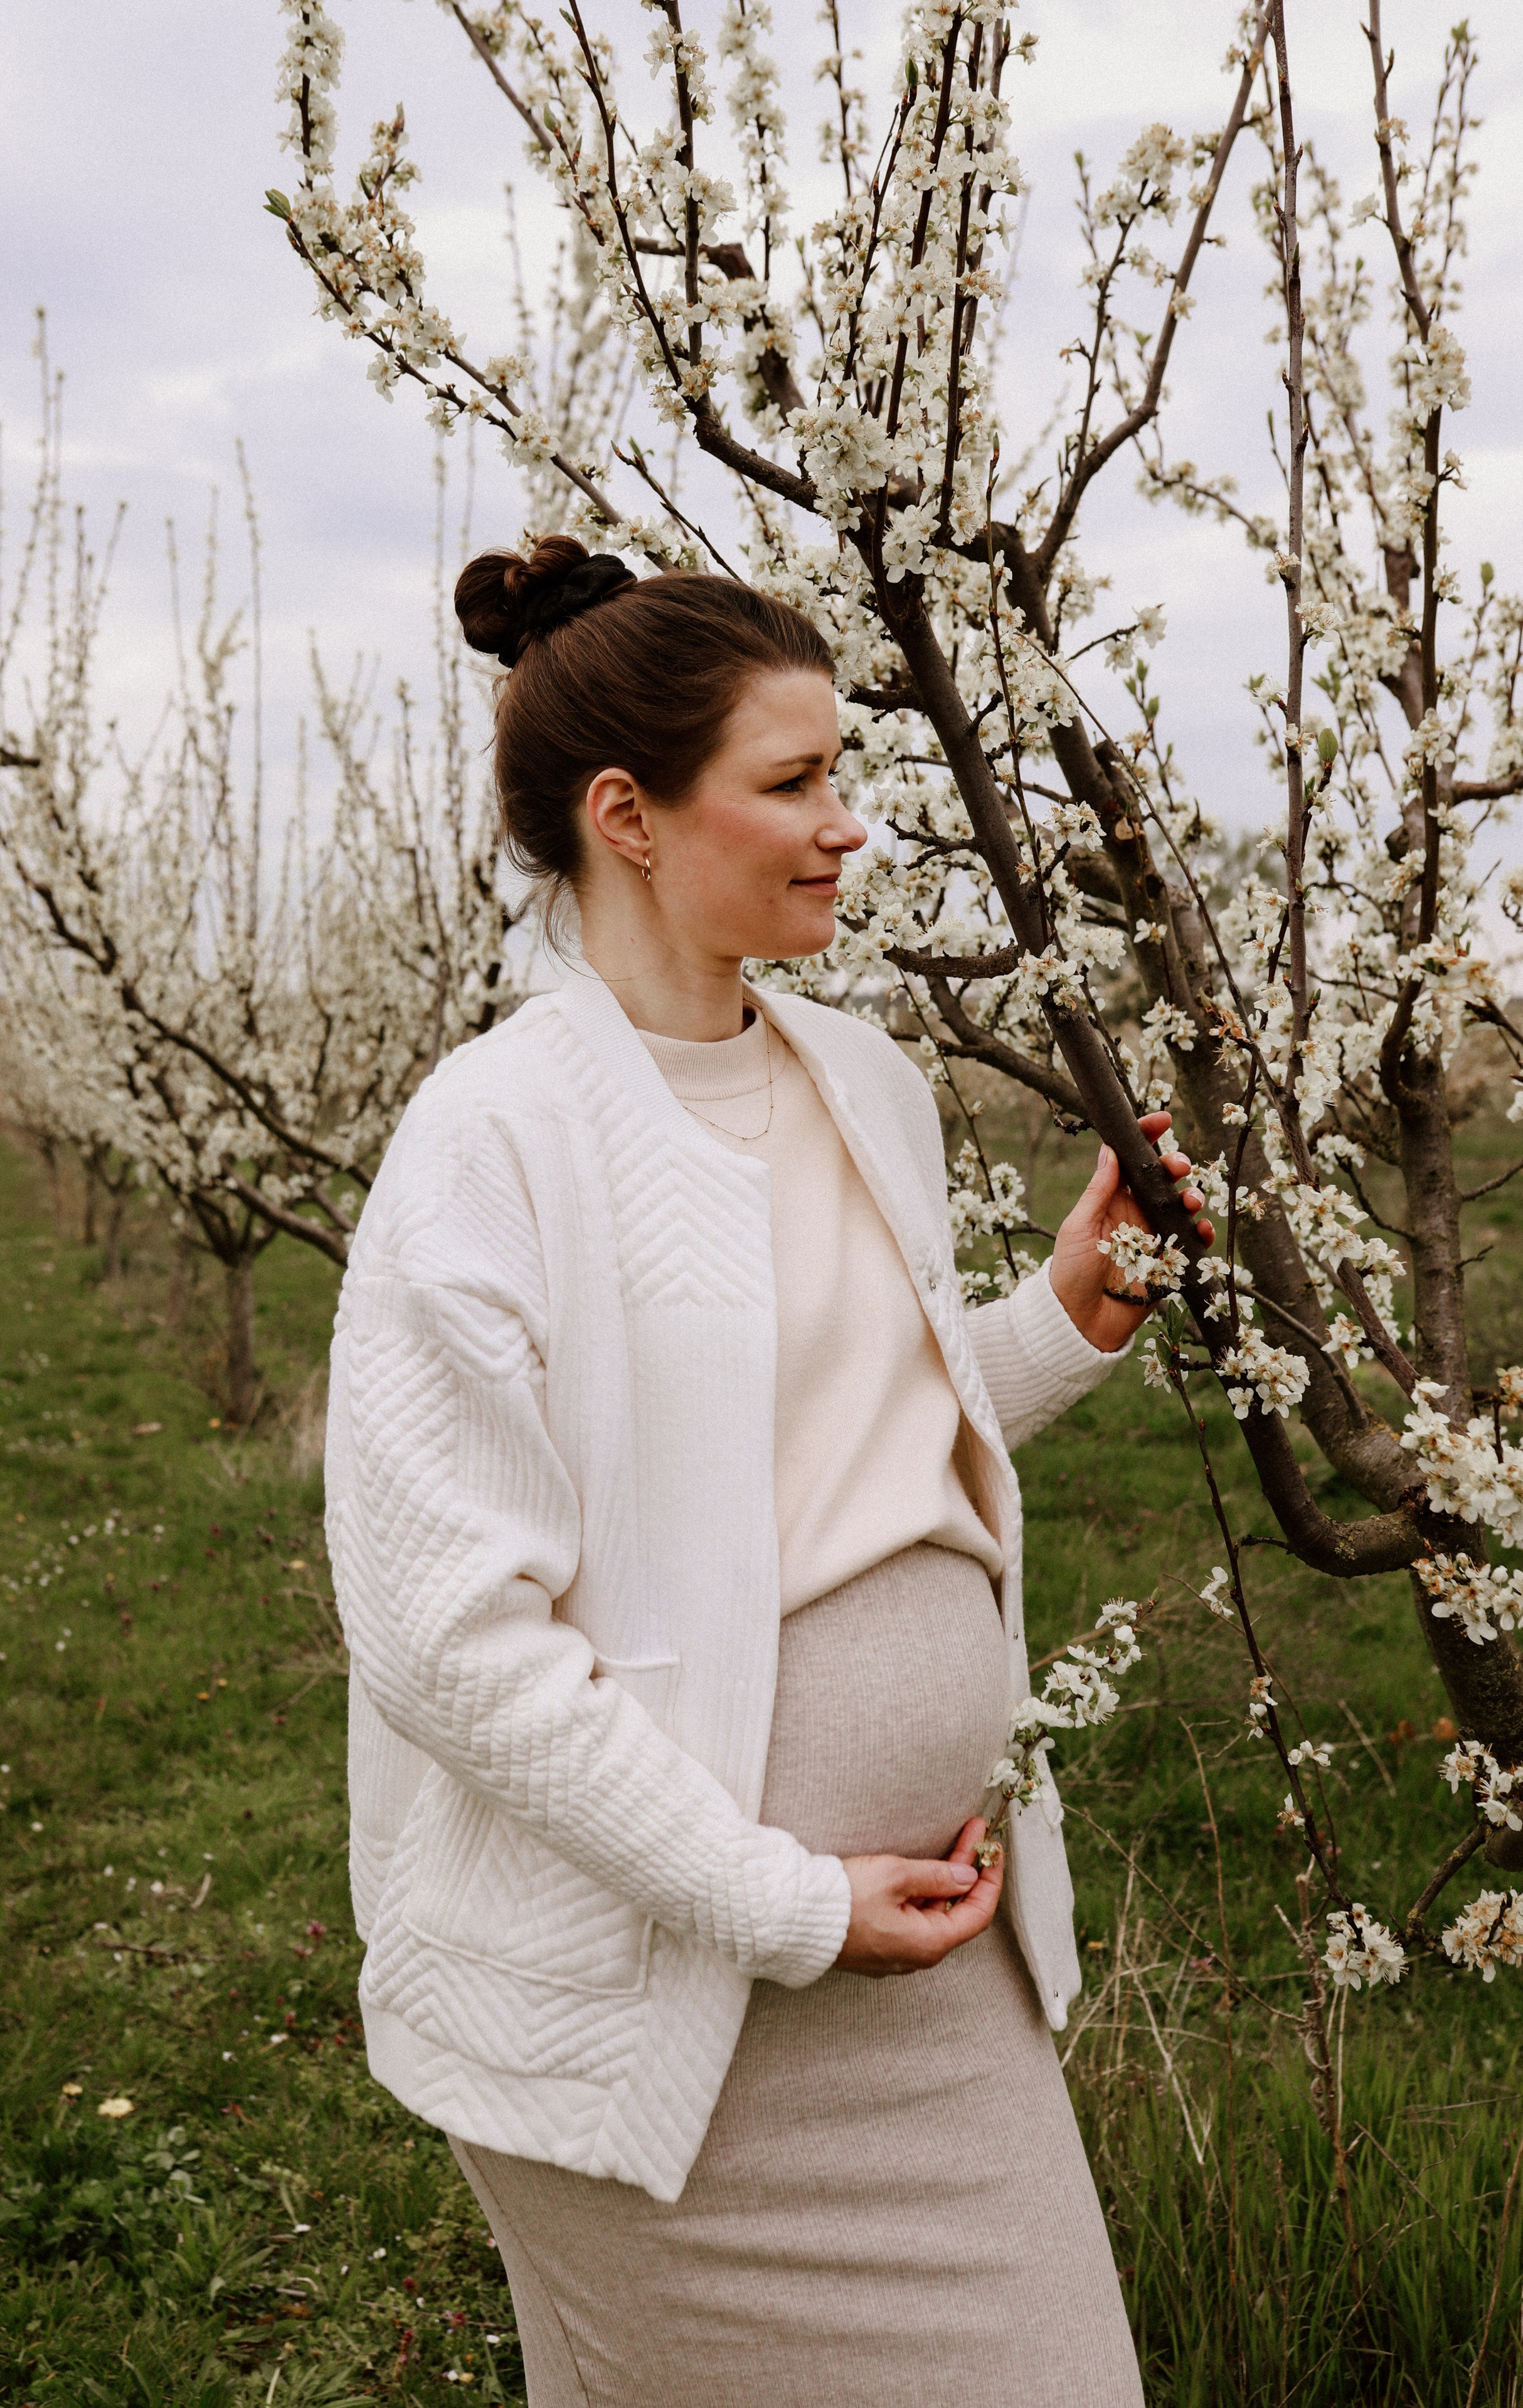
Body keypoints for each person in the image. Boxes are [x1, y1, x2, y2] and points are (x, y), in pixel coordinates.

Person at [325, 537, 1211, 2407]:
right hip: (661, 2003)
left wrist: (1061, 1318)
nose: (851, 827)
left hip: (935, 1987)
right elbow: (444, 1638)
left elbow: (813, 1439)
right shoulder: (494, 1142)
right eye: (796, 783)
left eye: (845, 776)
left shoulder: (856, 1077)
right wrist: (778, 1904)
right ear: (629, 815)